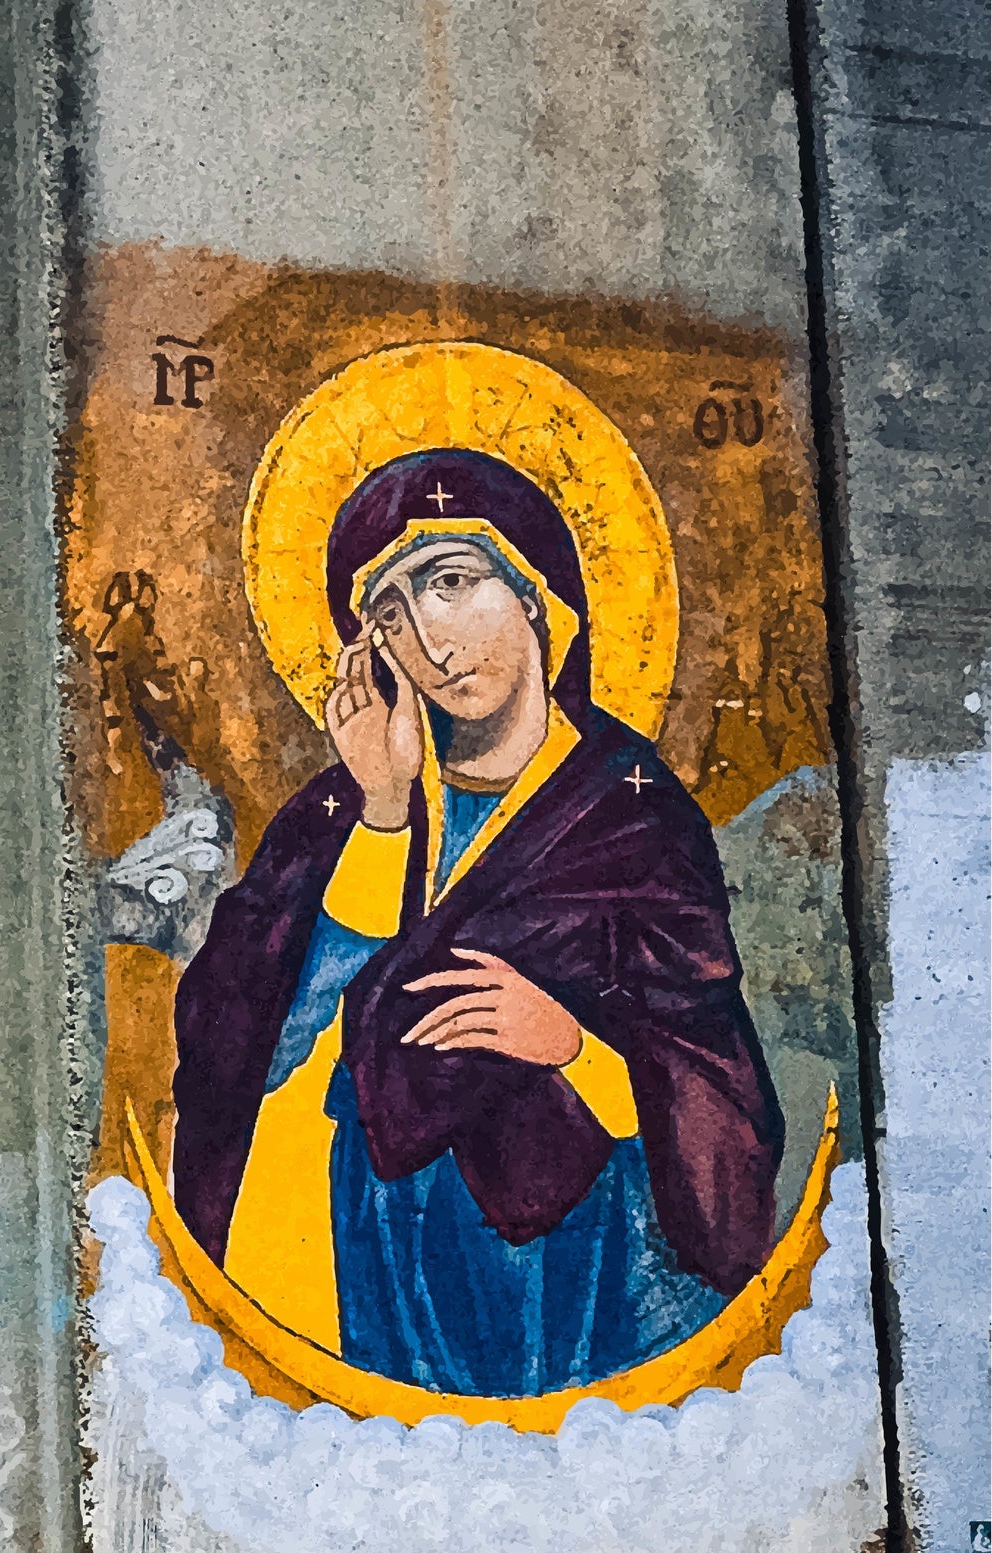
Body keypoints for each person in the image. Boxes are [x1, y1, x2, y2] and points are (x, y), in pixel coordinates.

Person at [171, 448, 783, 1396]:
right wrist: (382, 817)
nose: (430, 639)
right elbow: (241, 1046)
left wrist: (574, 1046)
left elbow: (719, 1087)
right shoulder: (340, 809)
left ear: (534, 594)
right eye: (389, 615)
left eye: (451, 582)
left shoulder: (637, 818)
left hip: (573, 1276)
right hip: (366, 1253)